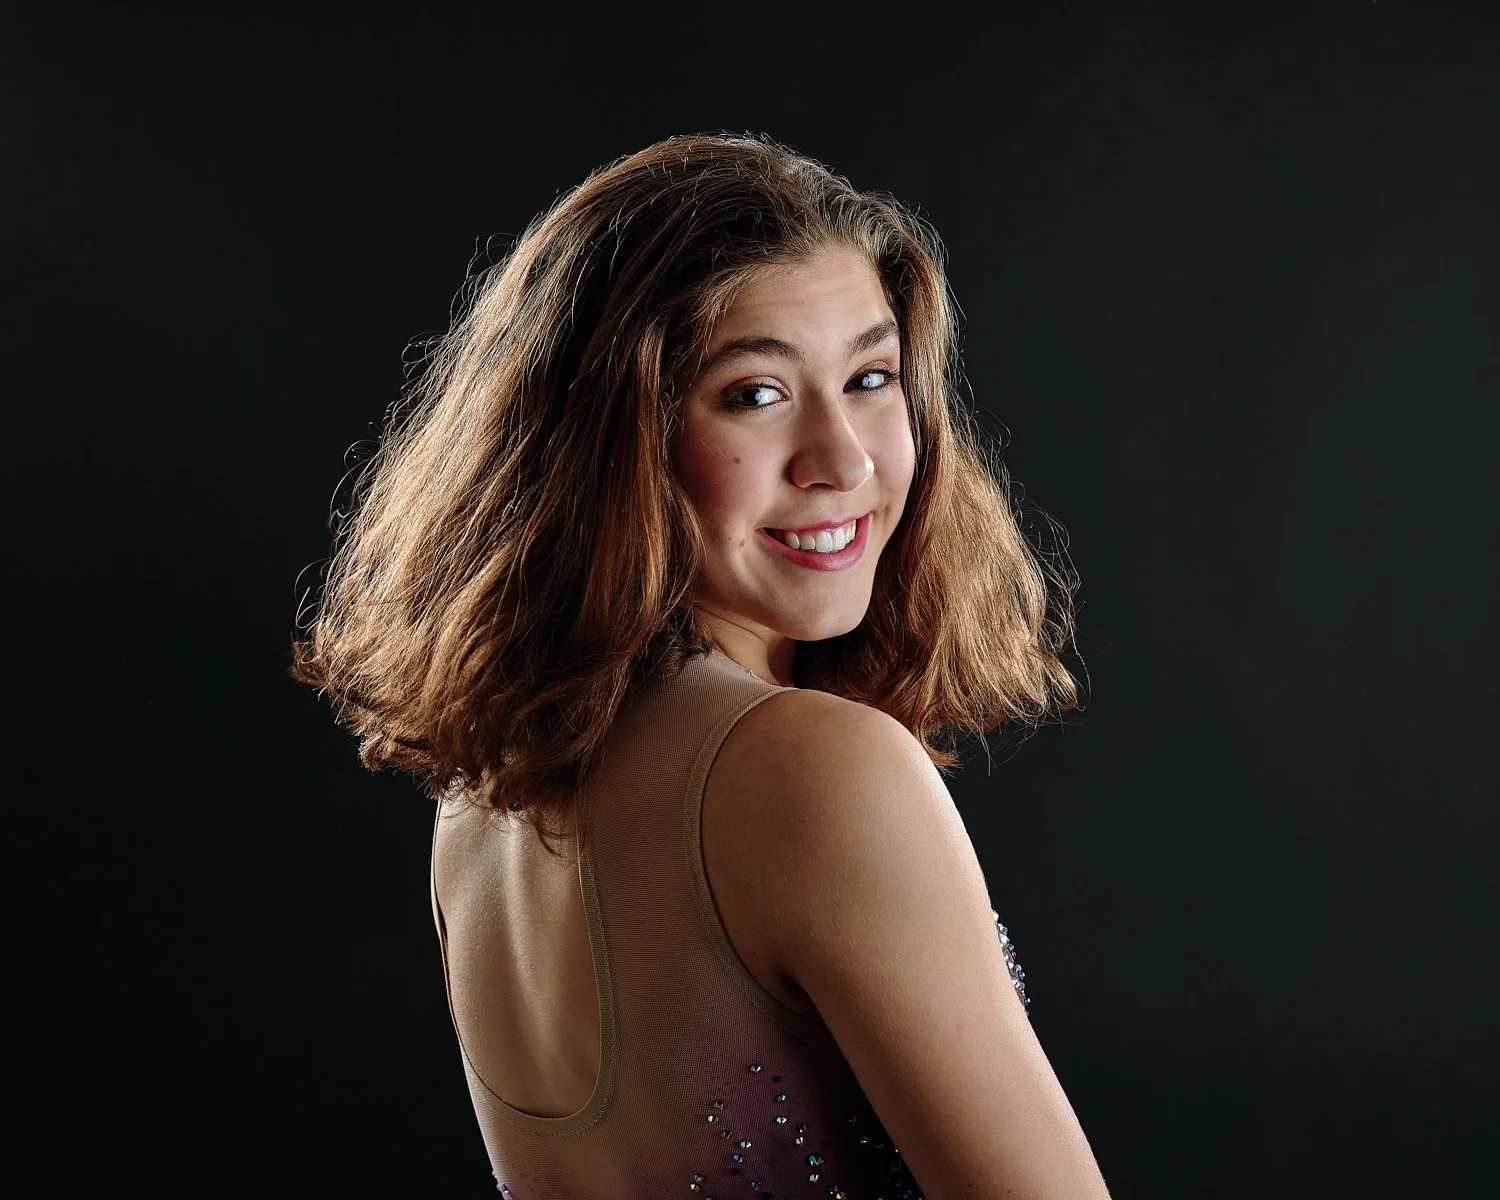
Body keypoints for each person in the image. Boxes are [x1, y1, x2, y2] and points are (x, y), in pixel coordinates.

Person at [292, 132, 1111, 1199]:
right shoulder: (819, 767)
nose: (844, 459)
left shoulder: (483, 801)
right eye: (755, 394)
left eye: (872, 378)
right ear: (614, 436)